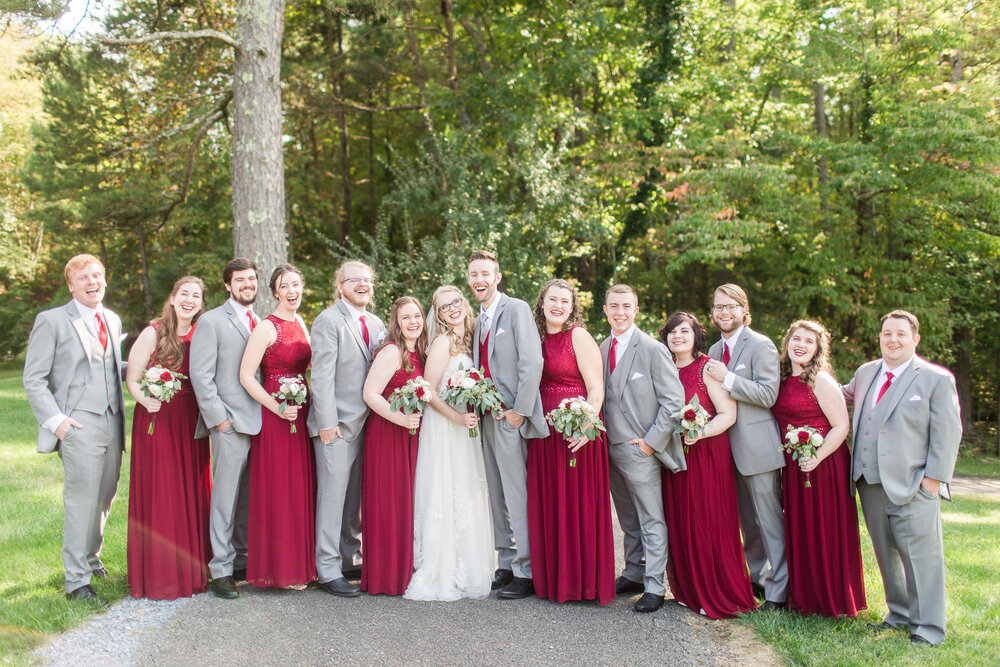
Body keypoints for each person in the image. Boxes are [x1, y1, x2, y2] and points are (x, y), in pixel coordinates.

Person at [843, 310, 961, 646]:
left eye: (900, 334)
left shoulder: (935, 379)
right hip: (869, 482)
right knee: (886, 553)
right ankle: (898, 614)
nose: (892, 340)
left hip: (914, 484)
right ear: (879, 337)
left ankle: (928, 628)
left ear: (915, 339)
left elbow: (948, 433)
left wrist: (933, 481)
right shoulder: (866, 372)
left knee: (922, 557)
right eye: (886, 333)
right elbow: (839, 395)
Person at [23, 254, 126, 603]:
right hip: (78, 423)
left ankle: (91, 558)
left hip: (113, 421)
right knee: (81, 499)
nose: (91, 281)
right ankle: (76, 581)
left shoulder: (111, 319)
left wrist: (155, 366)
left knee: (104, 496)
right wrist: (57, 423)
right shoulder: (51, 320)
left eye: (97, 275)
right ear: (71, 284)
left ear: (105, 280)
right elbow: (34, 379)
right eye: (83, 277)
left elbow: (112, 365)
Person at [661, 312, 757, 618]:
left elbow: (728, 414)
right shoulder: (662, 368)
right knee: (681, 520)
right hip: (673, 456)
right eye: (673, 332)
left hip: (707, 455)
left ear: (696, 335)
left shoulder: (707, 368)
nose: (678, 336)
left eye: (684, 331)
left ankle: (717, 592)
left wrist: (699, 433)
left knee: (708, 520)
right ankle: (689, 590)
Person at [527, 279, 615, 605]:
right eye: (553, 299)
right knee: (550, 502)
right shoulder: (533, 338)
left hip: (577, 431)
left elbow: (596, 390)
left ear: (572, 305)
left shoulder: (577, 336)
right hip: (543, 433)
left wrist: (585, 425)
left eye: (565, 300)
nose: (559, 305)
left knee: (578, 503)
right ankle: (555, 582)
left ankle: (585, 583)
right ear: (542, 302)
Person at [404, 286, 494, 601]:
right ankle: (440, 567)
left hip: (464, 427)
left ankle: (466, 565)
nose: (452, 309)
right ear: (439, 315)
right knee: (446, 490)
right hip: (444, 427)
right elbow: (428, 392)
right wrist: (455, 418)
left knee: (466, 492)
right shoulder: (442, 343)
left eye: (456, 302)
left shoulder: (469, 339)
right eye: (444, 307)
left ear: (463, 304)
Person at [771, 320, 866, 617]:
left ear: (817, 349)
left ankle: (831, 599)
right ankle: (804, 597)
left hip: (825, 465)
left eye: (808, 342)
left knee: (824, 527)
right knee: (800, 528)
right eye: (796, 339)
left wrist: (818, 456)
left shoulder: (820, 380)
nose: (800, 345)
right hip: (795, 464)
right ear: (787, 343)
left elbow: (841, 426)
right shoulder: (781, 378)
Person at [126, 276, 213, 600]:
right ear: (173, 298)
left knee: (190, 488)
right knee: (162, 489)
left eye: (196, 296)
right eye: (185, 294)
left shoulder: (202, 333)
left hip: (191, 421)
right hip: (157, 417)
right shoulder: (154, 331)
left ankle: (192, 571)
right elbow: (133, 378)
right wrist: (144, 399)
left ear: (201, 304)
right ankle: (160, 574)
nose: (190, 300)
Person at [599, 285, 684, 613]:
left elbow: (673, 401)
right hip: (611, 449)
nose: (619, 312)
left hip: (641, 449)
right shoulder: (602, 346)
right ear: (604, 310)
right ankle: (633, 571)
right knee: (627, 516)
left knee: (650, 516)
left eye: (626, 306)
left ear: (636, 310)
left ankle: (654, 584)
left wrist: (651, 442)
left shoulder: (651, 348)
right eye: (613, 306)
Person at [468, 250, 546, 600]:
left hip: (510, 417)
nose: (479, 280)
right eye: (473, 275)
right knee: (495, 491)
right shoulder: (476, 319)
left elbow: (532, 361)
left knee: (516, 493)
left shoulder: (516, 309)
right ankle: (507, 562)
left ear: (497, 276)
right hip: (484, 417)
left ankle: (527, 571)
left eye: (485, 273)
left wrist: (520, 411)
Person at [704, 284, 788, 610]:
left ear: (743, 310)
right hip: (724, 451)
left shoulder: (760, 345)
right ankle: (757, 579)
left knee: (769, 522)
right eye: (719, 307)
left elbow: (769, 395)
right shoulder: (712, 351)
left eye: (731, 307)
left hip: (758, 448)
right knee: (747, 523)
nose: (724, 313)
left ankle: (780, 590)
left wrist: (728, 378)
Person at [307, 260, 386, 598]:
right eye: (355, 280)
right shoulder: (328, 321)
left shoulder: (377, 322)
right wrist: (326, 423)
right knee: (332, 497)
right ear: (340, 286)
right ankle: (326, 568)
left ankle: (350, 557)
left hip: (370, 424)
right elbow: (321, 375)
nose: (362, 285)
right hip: (337, 426)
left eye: (367, 280)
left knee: (354, 498)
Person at [238, 264, 317, 588]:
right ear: (274, 292)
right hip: (275, 415)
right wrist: (276, 407)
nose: (292, 291)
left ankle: (299, 567)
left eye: (296, 284)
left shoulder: (300, 322)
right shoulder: (266, 327)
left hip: (299, 411)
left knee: (298, 488)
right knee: (278, 488)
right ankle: (276, 570)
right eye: (285, 286)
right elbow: (245, 375)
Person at [190, 257, 260, 599]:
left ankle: (242, 559)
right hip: (229, 422)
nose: (247, 284)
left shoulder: (260, 320)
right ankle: (220, 569)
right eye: (240, 280)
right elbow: (201, 376)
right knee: (225, 498)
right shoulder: (212, 321)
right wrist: (220, 419)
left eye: (251, 279)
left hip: (261, 423)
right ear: (227, 286)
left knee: (248, 498)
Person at [361, 296, 427, 595]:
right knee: (389, 500)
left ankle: (407, 567)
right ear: (396, 323)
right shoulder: (392, 351)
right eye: (405, 318)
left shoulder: (421, 353)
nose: (413, 322)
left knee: (409, 501)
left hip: (412, 435)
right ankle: (386, 575)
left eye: (417, 316)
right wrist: (400, 420)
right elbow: (370, 394)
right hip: (389, 432)